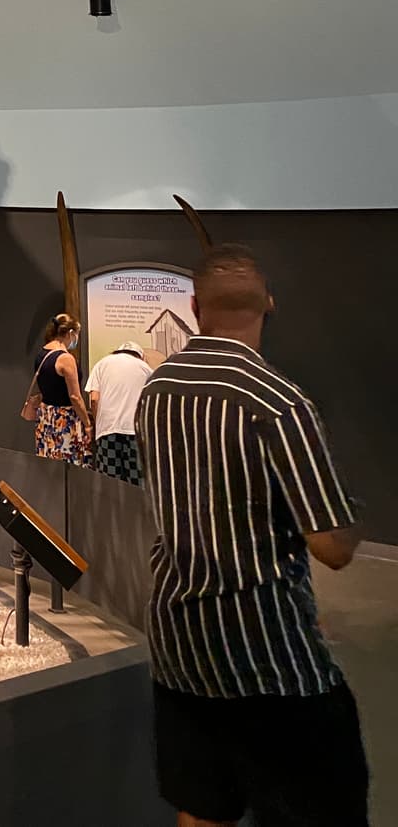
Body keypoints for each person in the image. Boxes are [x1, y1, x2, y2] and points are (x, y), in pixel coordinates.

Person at [136, 243, 368, 827]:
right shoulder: (280, 403)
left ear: (193, 307)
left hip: (179, 646)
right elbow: (332, 547)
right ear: (269, 303)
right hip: (267, 656)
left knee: (204, 804)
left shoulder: (157, 391)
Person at [28, 312, 92, 465]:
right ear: (70, 333)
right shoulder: (65, 359)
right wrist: (87, 424)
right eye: (77, 334)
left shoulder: (42, 354)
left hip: (46, 416)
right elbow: (75, 397)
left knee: (48, 463)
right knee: (68, 466)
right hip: (64, 419)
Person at [85, 339, 150, 483]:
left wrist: (98, 423)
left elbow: (94, 399)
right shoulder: (145, 368)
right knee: (136, 481)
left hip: (108, 431)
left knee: (109, 482)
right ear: (139, 355)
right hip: (135, 432)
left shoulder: (102, 364)